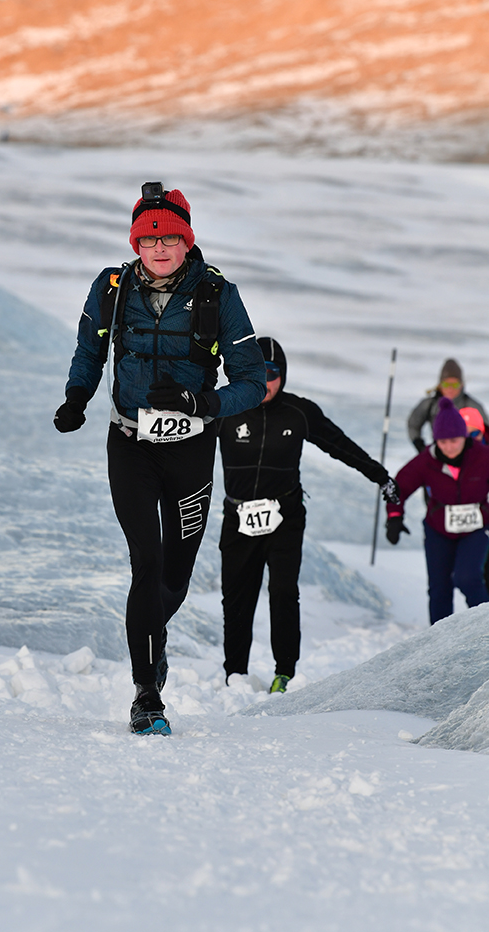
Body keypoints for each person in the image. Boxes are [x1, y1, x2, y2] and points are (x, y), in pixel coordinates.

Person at [53, 182, 266, 735]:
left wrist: (204, 402)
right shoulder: (112, 287)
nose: (160, 247)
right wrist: (76, 398)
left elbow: (253, 380)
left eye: (171, 236)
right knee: (146, 565)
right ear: (136, 243)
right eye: (149, 238)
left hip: (191, 449)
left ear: (187, 240)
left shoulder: (219, 295)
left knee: (174, 577)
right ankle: (147, 694)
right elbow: (89, 349)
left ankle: (154, 635)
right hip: (129, 445)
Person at [217, 337, 398, 694]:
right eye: (256, 372)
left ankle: (284, 673)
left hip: (285, 515)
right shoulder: (225, 407)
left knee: (283, 592)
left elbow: (340, 445)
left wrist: (381, 476)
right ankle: (234, 675)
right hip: (238, 516)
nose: (265, 382)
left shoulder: (299, 412)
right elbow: (185, 444)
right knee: (237, 596)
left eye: (272, 373)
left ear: (282, 376)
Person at [386, 397, 489, 624]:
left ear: (463, 437)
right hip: (438, 531)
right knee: (439, 589)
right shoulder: (426, 461)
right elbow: (398, 488)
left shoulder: (482, 457)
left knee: (468, 577)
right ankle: (438, 649)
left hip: (476, 528)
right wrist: (394, 516)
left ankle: (485, 631)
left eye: (454, 440)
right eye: (442, 442)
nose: (449, 447)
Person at [408, 359, 488, 452]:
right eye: (446, 384)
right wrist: (419, 444)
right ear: (440, 385)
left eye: (455, 385)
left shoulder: (472, 406)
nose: (450, 388)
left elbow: (487, 432)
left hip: (468, 456)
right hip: (440, 453)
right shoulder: (430, 405)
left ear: (461, 385)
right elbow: (413, 424)